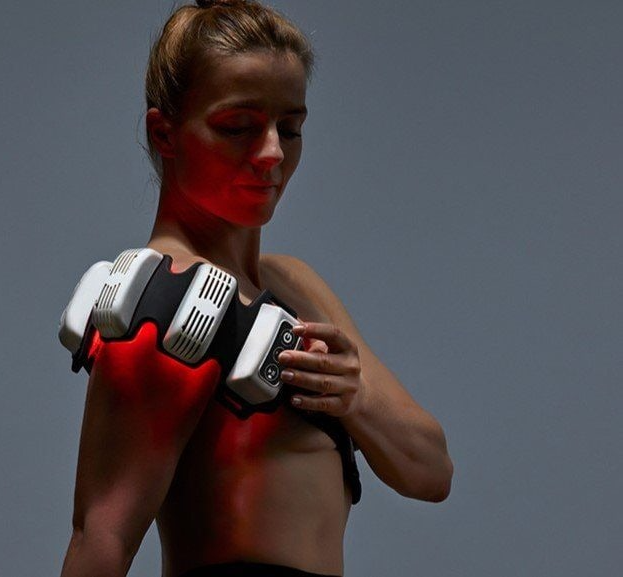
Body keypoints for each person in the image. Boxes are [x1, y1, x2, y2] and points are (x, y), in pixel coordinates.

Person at [59, 1, 453, 576]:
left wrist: (356, 399)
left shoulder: (292, 283)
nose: (272, 153)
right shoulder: (162, 309)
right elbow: (101, 539)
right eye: (237, 128)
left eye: (290, 128)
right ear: (164, 132)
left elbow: (431, 471)